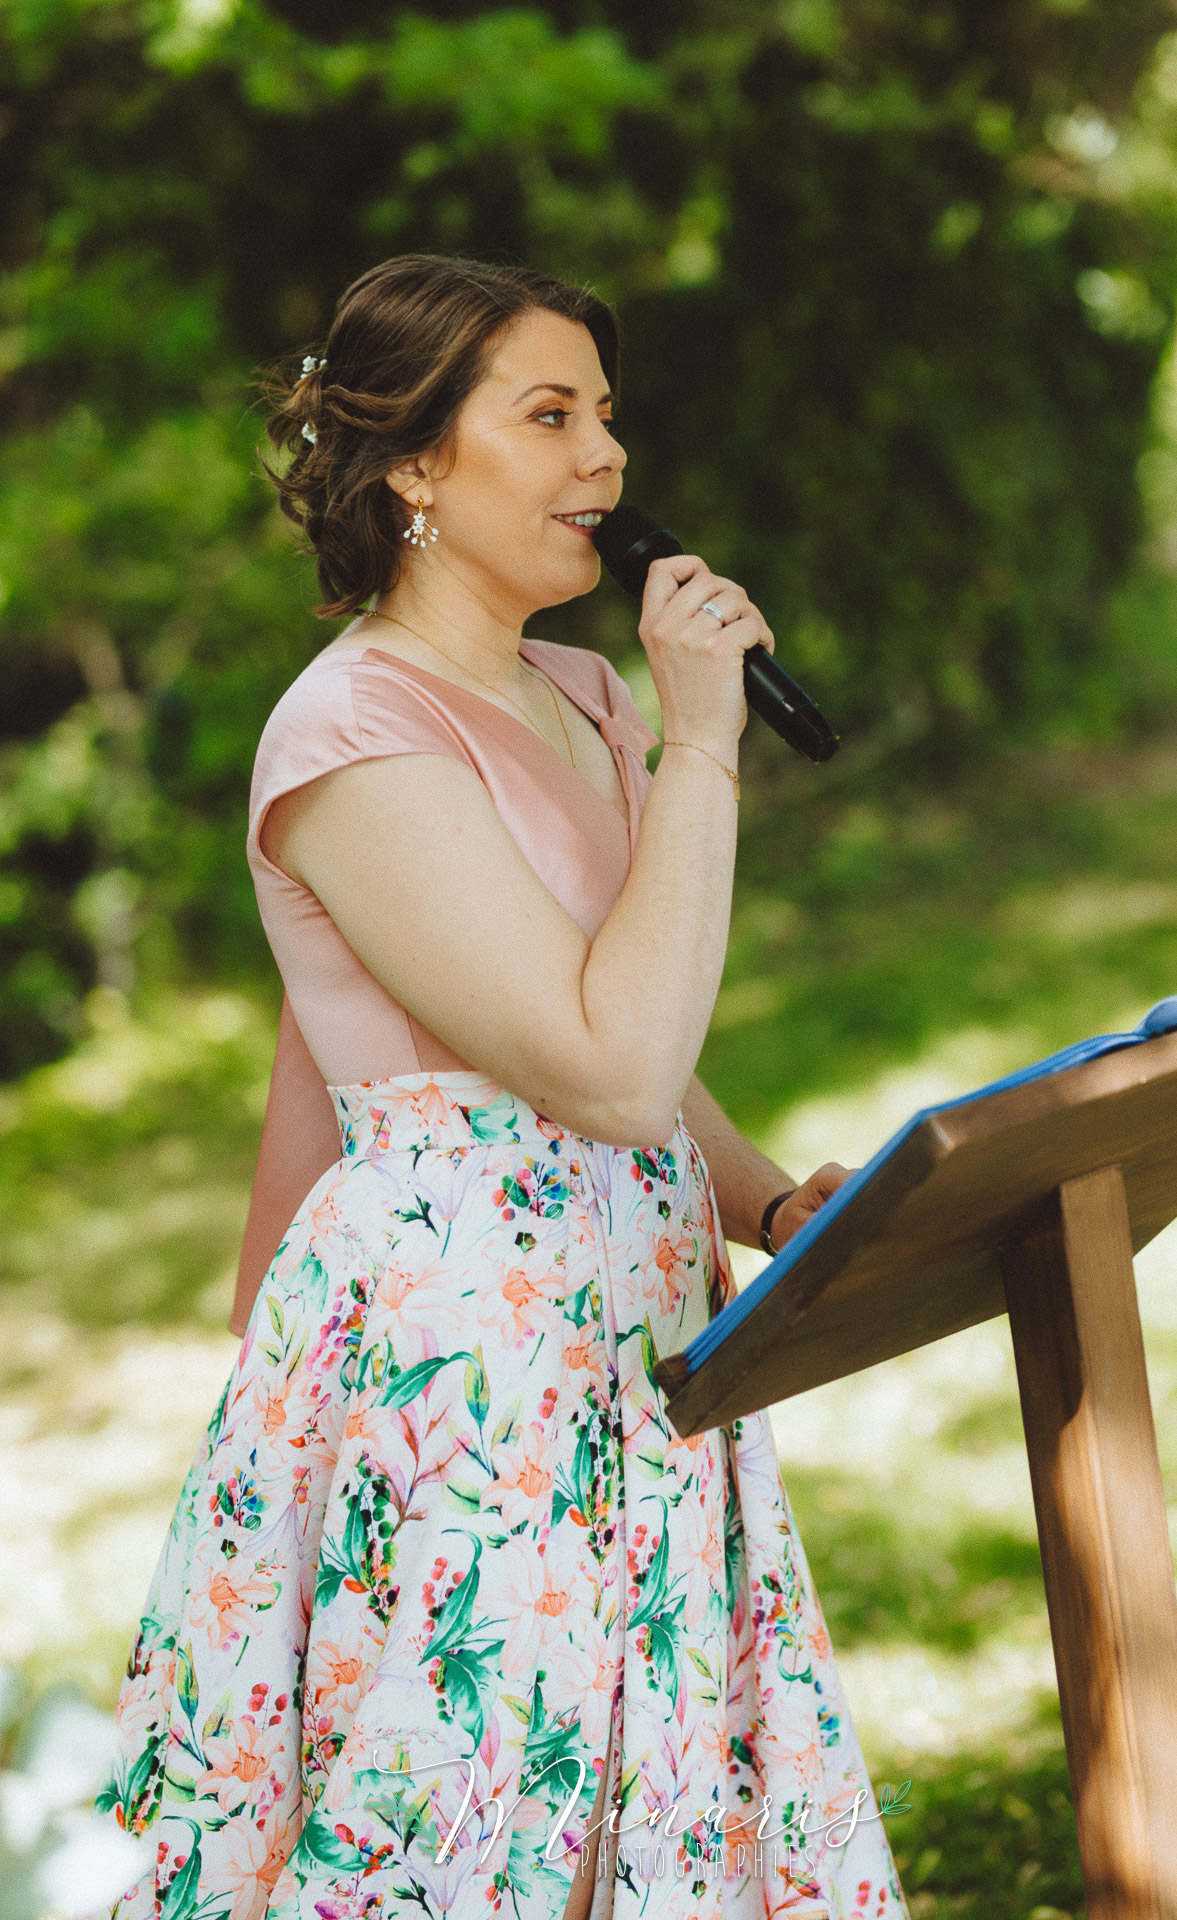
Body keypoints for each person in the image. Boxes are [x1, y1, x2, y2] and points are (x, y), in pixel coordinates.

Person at [98, 254, 908, 1920]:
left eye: (607, 415)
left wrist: (760, 1198)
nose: (605, 458)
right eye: (548, 416)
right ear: (411, 464)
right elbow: (602, 1076)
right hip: (467, 1359)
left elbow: (637, 1037)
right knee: (476, 1816)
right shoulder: (353, 737)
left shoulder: (581, 696)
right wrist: (706, 746)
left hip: (637, 1327)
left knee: (631, 1783)